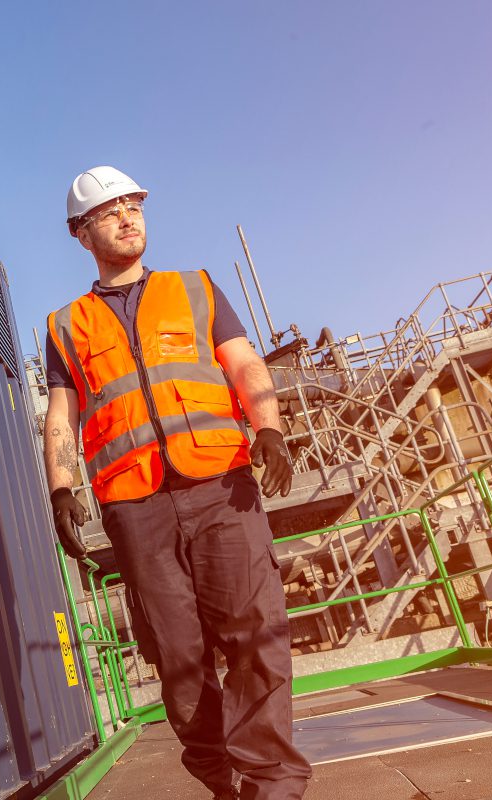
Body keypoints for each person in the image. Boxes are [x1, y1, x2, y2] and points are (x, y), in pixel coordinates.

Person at [43, 166, 311, 800]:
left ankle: (273, 786)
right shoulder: (65, 325)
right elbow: (63, 414)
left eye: (134, 204)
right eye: (109, 212)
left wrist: (268, 427)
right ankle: (223, 782)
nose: (128, 217)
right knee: (178, 658)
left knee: (255, 633)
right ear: (83, 234)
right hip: (135, 506)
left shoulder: (197, 289)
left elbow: (243, 362)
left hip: (220, 485)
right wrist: (60, 487)